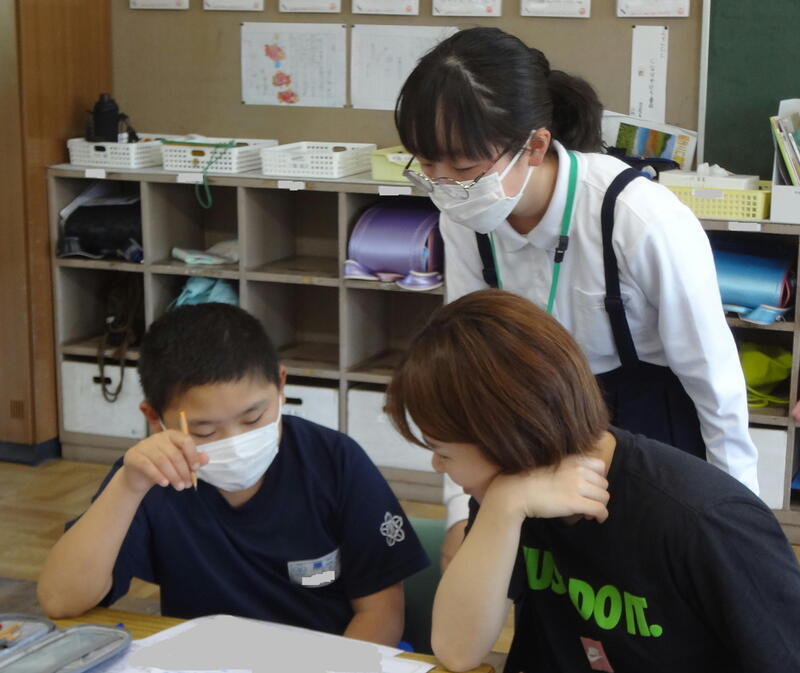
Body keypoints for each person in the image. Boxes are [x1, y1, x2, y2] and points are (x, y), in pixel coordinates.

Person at [394, 26, 759, 569]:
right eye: (427, 166)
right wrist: (459, 513)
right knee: (553, 593)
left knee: (650, 589)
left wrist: (741, 526)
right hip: (534, 431)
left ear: (535, 145)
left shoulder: (638, 218)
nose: (446, 186)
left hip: (648, 430)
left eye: (465, 168)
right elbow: (464, 373)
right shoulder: (466, 218)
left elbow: (715, 384)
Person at [385, 289, 800, 673]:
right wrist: (504, 506)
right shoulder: (509, 491)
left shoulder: (703, 520)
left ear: (505, 439)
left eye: (443, 452)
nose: (437, 466)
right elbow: (457, 651)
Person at [38, 303, 429, 646]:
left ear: (281, 385)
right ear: (155, 418)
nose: (236, 442)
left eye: (254, 417)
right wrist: (127, 487)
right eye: (205, 430)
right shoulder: (150, 476)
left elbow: (382, 613)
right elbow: (61, 600)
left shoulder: (334, 461)